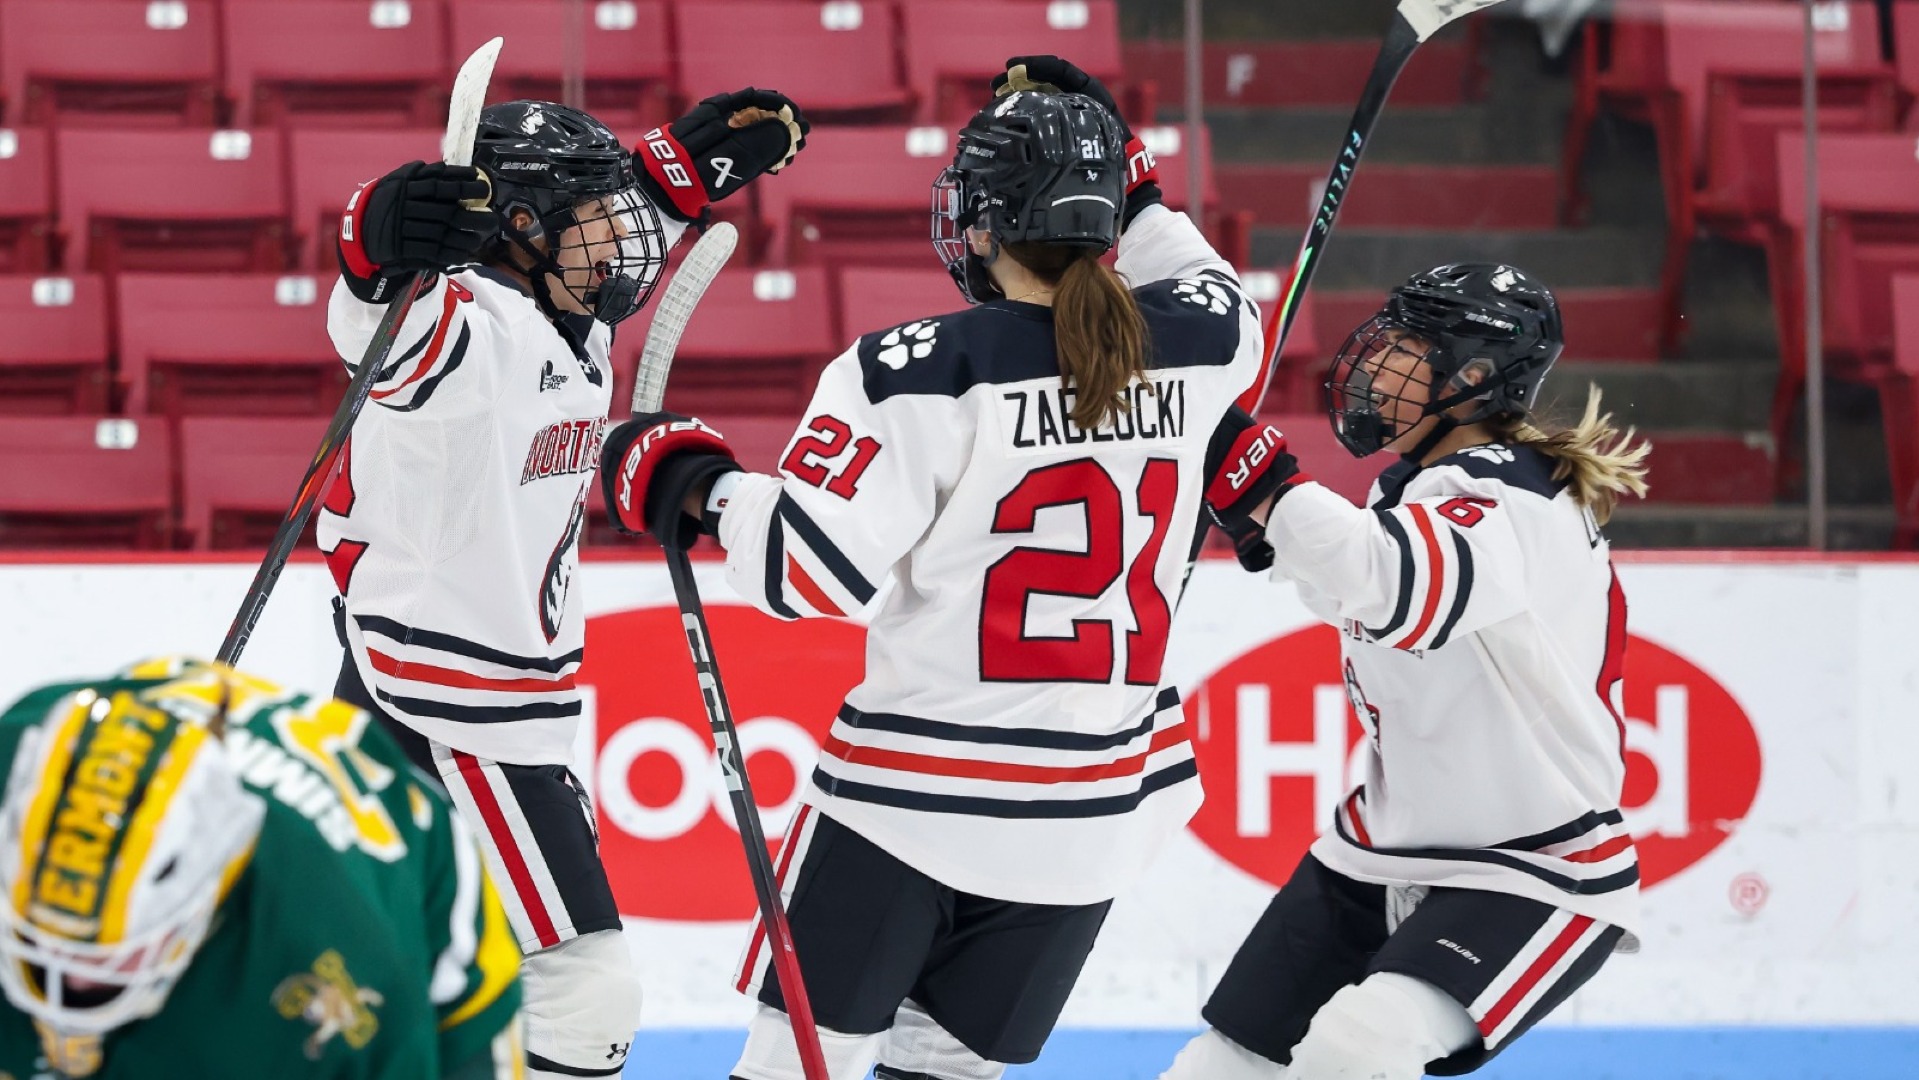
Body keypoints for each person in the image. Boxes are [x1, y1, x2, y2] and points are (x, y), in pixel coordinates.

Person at [596, 56, 1267, 1080]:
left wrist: (695, 484)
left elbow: (804, 574)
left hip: (910, 802)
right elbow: (1178, 252)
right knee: (947, 1074)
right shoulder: (1210, 339)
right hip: (1098, 811)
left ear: (984, 223)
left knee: (795, 1068)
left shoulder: (916, 369)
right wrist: (1106, 147)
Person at [318, 93, 808, 1079]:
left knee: (421, 978)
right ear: (523, 231)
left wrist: (672, 176)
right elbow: (384, 324)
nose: (626, 243)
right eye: (600, 218)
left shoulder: (559, 312)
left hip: (469, 700)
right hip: (452, 714)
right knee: (586, 994)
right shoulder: (469, 330)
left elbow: (597, 242)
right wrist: (374, 241)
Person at [1160, 263, 1652, 1080]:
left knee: (1356, 1052)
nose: (1375, 362)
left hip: (1531, 867)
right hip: (1380, 848)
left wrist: (1265, 480)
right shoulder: (1426, 490)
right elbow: (1366, 588)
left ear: (1469, 378)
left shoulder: (1509, 498)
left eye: (1404, 348)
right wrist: (1273, 530)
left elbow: (1394, 585)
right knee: (1219, 1068)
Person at [0, 657, 521, 1078]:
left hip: (408, 929)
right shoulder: (13, 760)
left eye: (108, 960)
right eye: (42, 943)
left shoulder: (338, 953)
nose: (68, 982)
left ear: (201, 897)